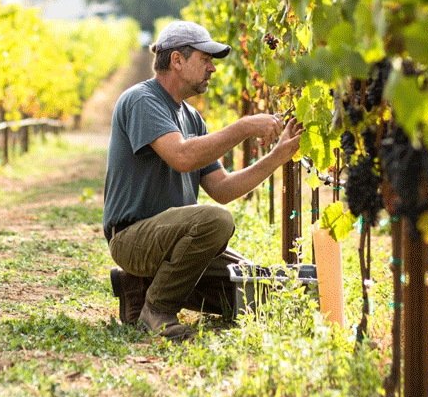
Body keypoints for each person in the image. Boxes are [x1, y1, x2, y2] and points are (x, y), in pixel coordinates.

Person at [103, 20, 303, 342]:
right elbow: (182, 156)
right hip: (133, 237)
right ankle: (158, 310)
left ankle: (136, 286)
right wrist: (246, 126)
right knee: (216, 221)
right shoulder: (142, 100)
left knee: (258, 289)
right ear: (177, 60)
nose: (212, 69)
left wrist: (278, 155)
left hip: (175, 242)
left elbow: (222, 189)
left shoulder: (192, 117)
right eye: (205, 59)